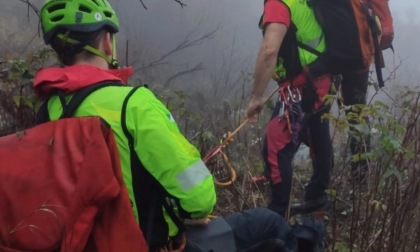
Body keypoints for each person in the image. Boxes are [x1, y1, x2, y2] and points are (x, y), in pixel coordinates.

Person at [35, 0, 298, 251]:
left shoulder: (47, 111)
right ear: (106, 42)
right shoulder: (133, 105)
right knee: (270, 224)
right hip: (146, 245)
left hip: (82, 244)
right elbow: (200, 200)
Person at [245, 0, 333, 216]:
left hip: (302, 85)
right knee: (316, 133)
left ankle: (277, 212)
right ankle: (317, 198)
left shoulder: (279, 3)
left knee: (275, 146)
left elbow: (269, 51)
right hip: (322, 78)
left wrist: (256, 97)